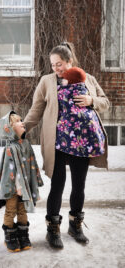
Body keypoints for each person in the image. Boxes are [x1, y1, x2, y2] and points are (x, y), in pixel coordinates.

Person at [24, 42, 110, 249]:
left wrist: (92, 100)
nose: (56, 68)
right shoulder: (47, 81)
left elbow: (105, 102)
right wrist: (23, 127)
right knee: (57, 185)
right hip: (58, 144)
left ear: (70, 61)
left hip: (82, 143)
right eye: (53, 65)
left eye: (60, 64)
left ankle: (75, 225)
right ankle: (52, 229)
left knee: (79, 185)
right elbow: (37, 108)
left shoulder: (87, 78)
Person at [0, 111, 43, 252]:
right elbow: (10, 171)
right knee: (11, 211)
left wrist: (34, 184)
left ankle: (23, 236)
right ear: (11, 129)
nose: (22, 123)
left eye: (21, 120)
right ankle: (10, 237)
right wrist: (18, 187)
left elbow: (32, 165)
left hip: (25, 187)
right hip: (13, 189)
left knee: (22, 210)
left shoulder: (26, 144)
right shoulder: (10, 148)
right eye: (18, 121)